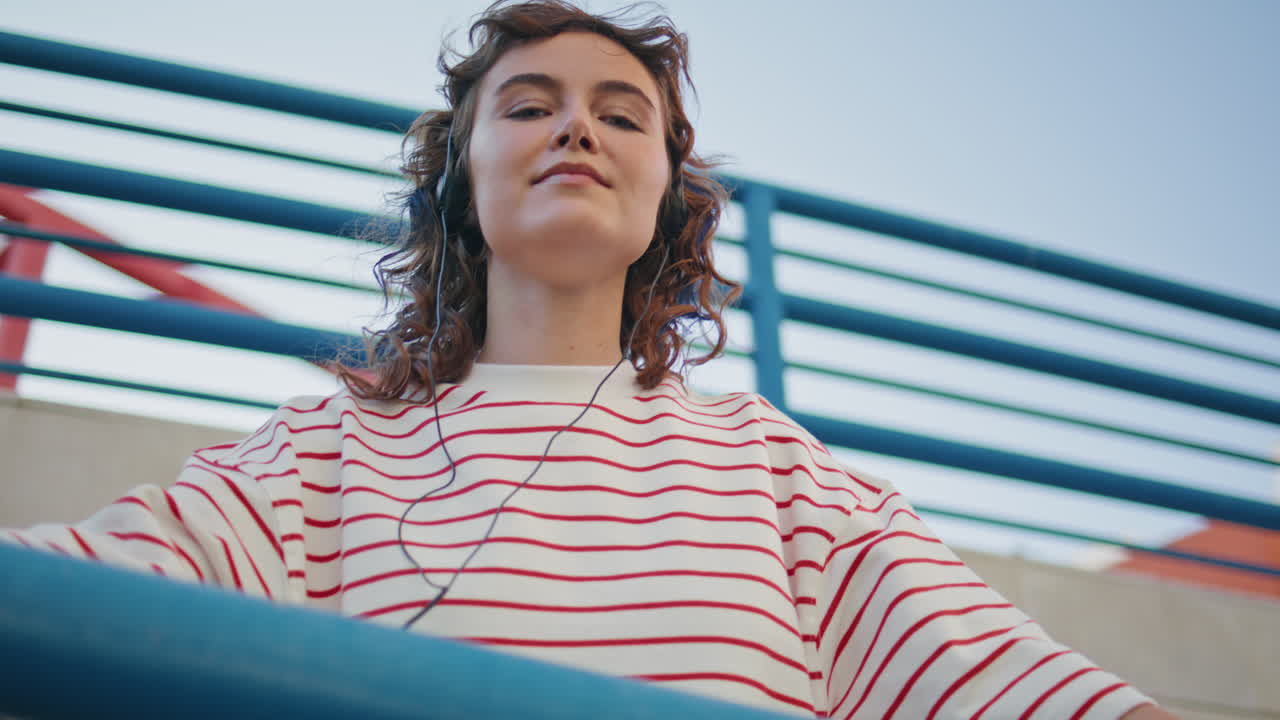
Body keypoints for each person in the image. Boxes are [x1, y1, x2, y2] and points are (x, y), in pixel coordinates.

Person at [6, 1, 1176, 717]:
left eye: (621, 115)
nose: (577, 126)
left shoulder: (771, 468)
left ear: (669, 197)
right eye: (529, 105)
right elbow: (91, 588)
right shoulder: (325, 452)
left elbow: (1011, 691)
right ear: (460, 184)